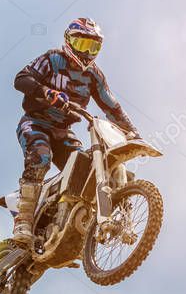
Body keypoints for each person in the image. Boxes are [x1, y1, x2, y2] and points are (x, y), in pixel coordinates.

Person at [11, 17, 139, 245]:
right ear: (69, 42)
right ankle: (23, 220)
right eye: (82, 44)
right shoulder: (52, 59)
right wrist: (46, 92)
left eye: (93, 46)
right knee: (41, 157)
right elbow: (21, 79)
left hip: (63, 131)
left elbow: (112, 106)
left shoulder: (94, 76)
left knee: (85, 169)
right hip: (35, 123)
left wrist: (133, 133)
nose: (87, 52)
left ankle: (75, 219)